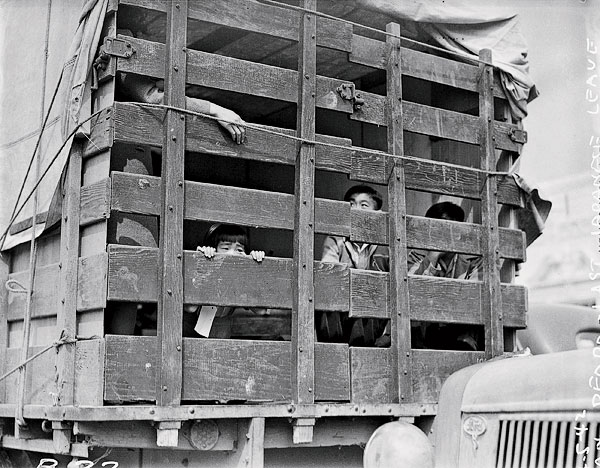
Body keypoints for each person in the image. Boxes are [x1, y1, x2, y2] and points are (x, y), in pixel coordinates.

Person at [374, 201, 483, 350]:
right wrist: (433, 255)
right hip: (420, 328)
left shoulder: (473, 260)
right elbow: (409, 292)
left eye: (452, 228)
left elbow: (474, 299)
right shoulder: (415, 256)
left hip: (458, 328)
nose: (446, 233)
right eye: (439, 228)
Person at [319, 185, 388, 345]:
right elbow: (328, 275)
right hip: (341, 315)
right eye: (351, 204)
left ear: (377, 214)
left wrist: (389, 334)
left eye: (364, 205)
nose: (355, 210)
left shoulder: (386, 246)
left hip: (373, 317)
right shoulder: (336, 239)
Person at [183, 223, 265, 339]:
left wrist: (253, 264)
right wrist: (204, 263)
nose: (232, 254)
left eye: (239, 249)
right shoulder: (207, 265)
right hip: (191, 328)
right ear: (213, 248)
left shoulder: (240, 275)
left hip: (222, 327)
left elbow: (261, 310)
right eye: (226, 248)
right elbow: (190, 308)